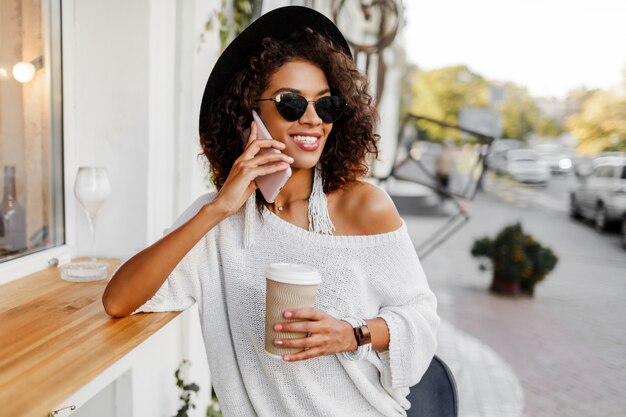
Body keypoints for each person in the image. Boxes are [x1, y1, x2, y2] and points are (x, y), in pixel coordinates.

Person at [102, 6, 439, 417]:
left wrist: (352, 334)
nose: (313, 119)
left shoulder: (363, 205)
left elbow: (421, 318)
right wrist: (219, 208)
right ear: (250, 113)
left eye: (327, 105)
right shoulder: (220, 222)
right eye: (291, 103)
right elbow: (119, 300)